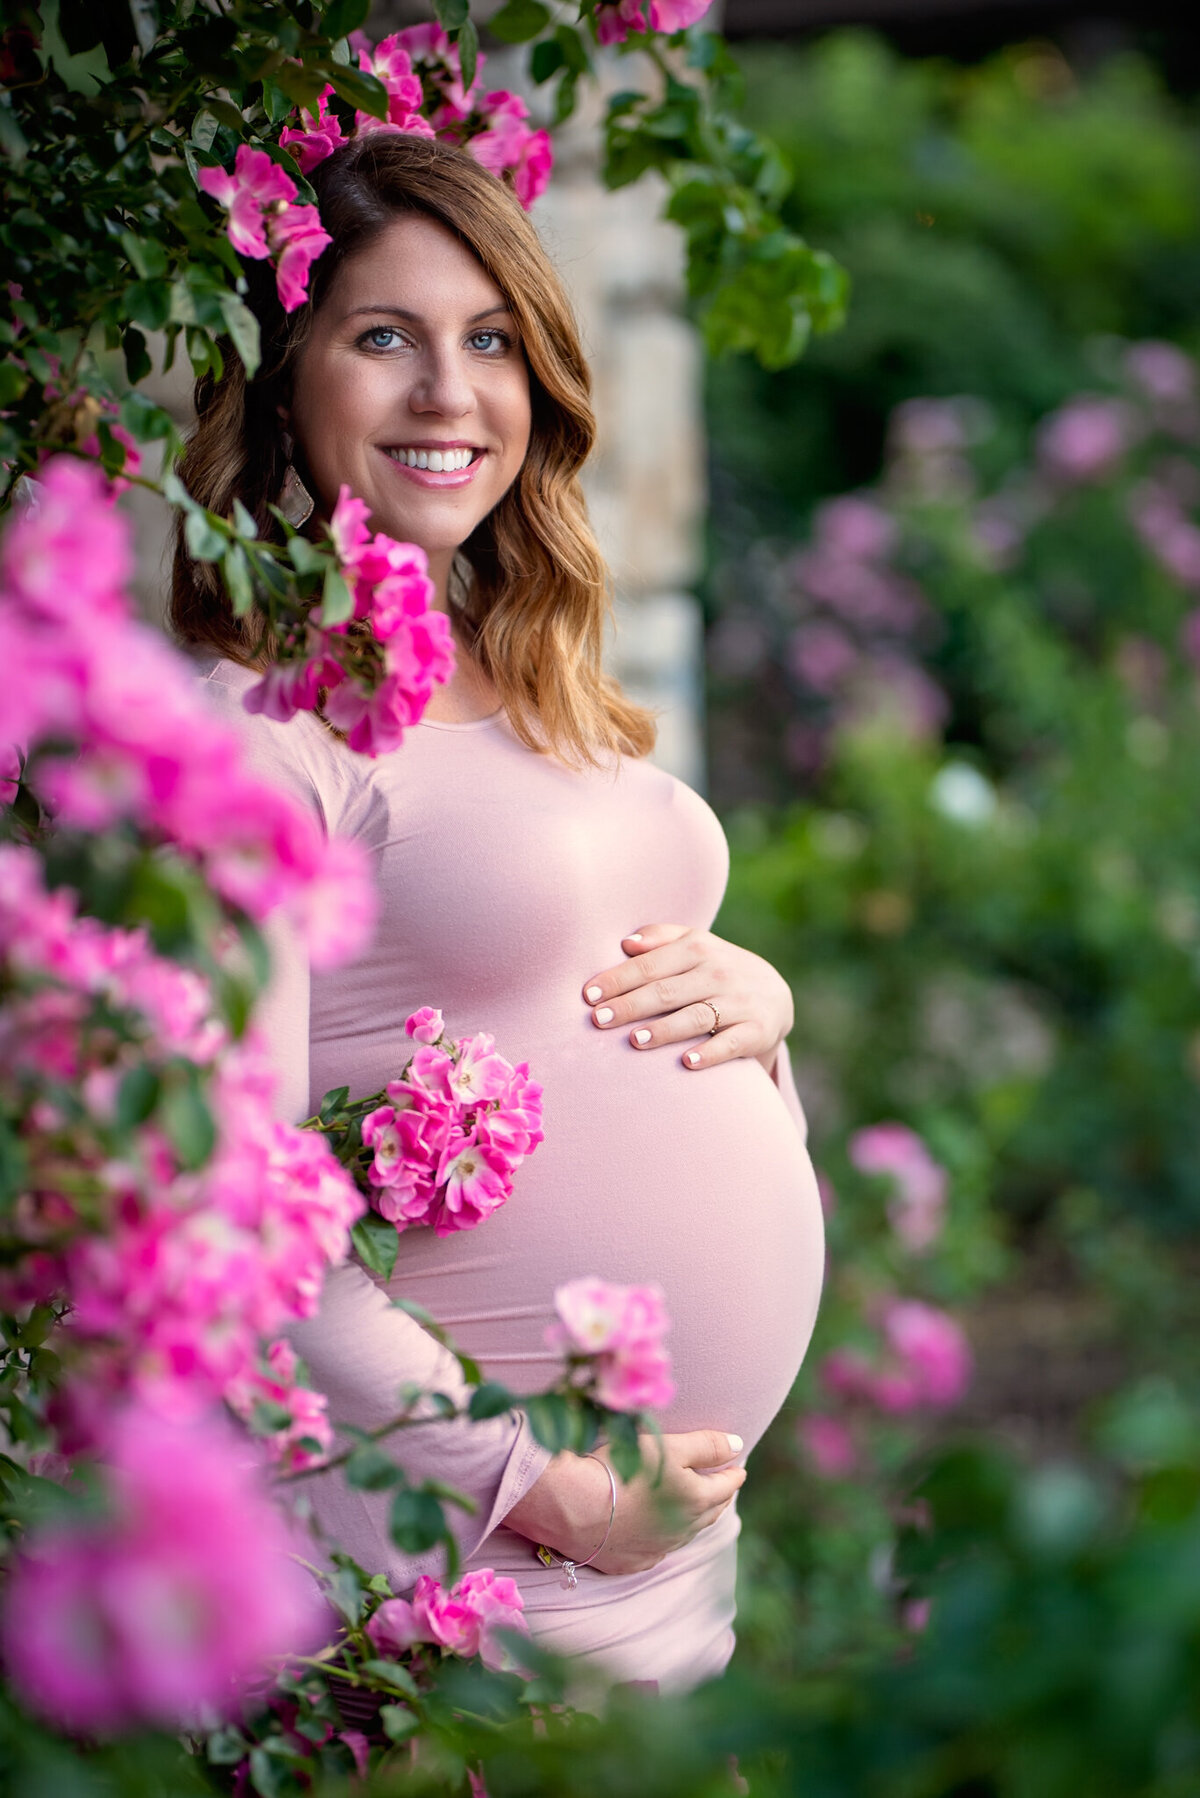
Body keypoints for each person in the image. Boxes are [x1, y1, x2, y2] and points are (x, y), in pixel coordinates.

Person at [179, 132, 824, 1694]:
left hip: (664, 1566)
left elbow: (589, 957)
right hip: (465, 1554)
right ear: (285, 379)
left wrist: (764, 1003)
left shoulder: (541, 678)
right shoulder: (258, 732)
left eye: (489, 341)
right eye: (382, 335)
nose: (448, 394)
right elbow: (243, 1204)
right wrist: (546, 1482)